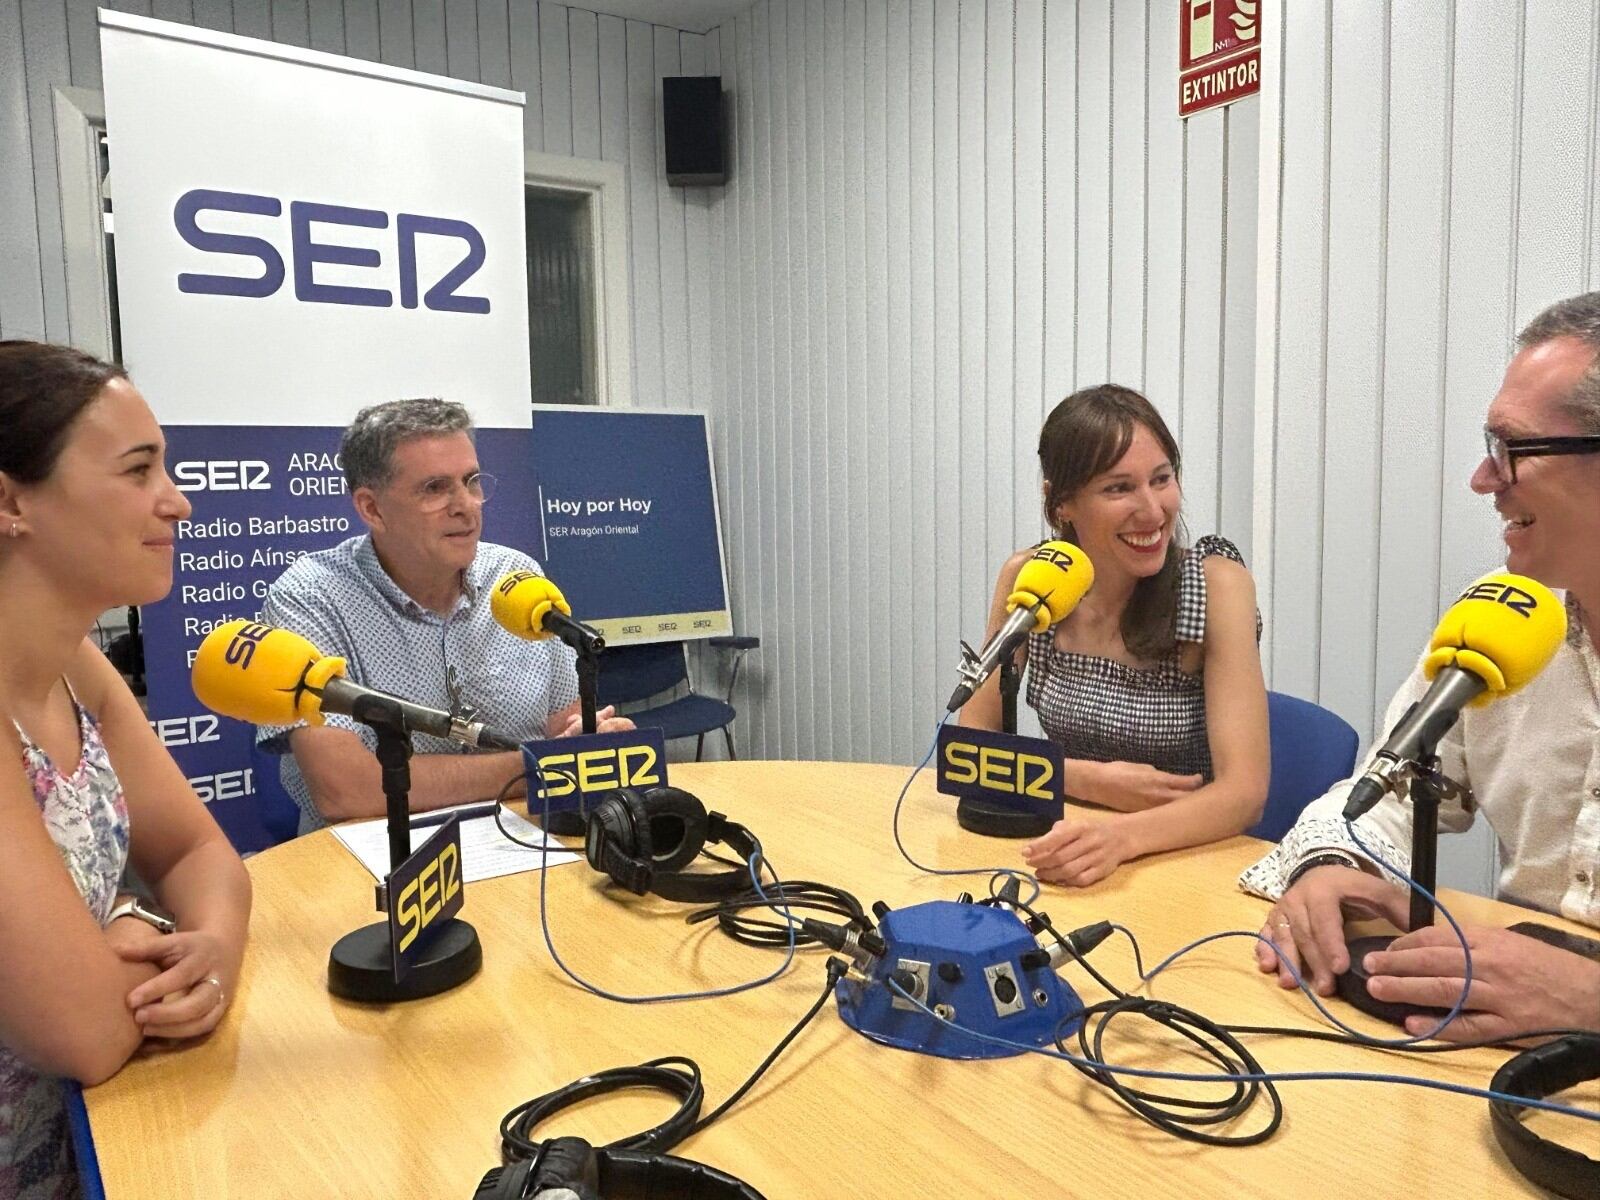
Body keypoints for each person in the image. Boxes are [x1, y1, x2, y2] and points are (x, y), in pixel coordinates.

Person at [1244, 292, 1600, 1041]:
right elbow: (1383, 798)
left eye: (1512, 447)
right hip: (1499, 1058)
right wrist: (1334, 869)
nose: (1482, 478)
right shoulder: (1500, 624)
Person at [0, 341, 253, 1196]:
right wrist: (150, 928)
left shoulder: (76, 664)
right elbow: (88, 1030)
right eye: (138, 470)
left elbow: (201, 858)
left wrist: (203, 946)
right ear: (9, 502)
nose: (176, 503)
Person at [257, 398, 633, 835]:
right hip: (380, 852)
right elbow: (346, 790)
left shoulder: (516, 577)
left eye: (471, 482)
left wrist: (590, 738)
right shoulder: (310, 597)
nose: (466, 505)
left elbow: (564, 726)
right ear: (371, 509)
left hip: (526, 836)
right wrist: (538, 764)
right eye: (435, 488)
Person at [962, 384, 1269, 887]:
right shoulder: (1032, 580)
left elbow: (1245, 793)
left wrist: (1121, 838)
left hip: (1183, 860)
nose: (1152, 511)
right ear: (1062, 503)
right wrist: (1085, 780)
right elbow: (969, 753)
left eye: (1162, 479)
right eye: (1118, 488)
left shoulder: (1216, 587)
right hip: (1067, 844)